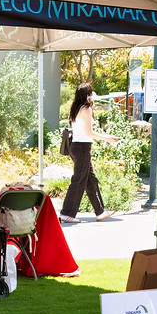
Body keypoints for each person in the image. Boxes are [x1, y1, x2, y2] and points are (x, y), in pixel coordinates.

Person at [59, 84, 106, 221]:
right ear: (88, 95)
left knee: (90, 179)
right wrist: (108, 139)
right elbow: (89, 133)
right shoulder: (86, 109)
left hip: (76, 146)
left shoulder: (76, 108)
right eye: (91, 93)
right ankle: (67, 213)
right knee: (79, 181)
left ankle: (100, 212)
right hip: (82, 148)